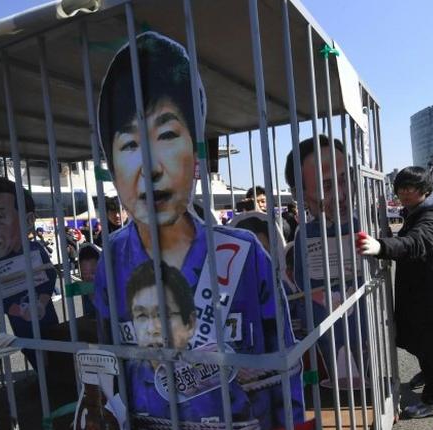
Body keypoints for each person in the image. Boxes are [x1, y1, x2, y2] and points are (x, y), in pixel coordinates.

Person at [92, 31, 303, 428]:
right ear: (111, 163)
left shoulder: (242, 253)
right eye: (129, 144)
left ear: (196, 149)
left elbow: (283, 358)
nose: (151, 166)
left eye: (167, 135)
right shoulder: (112, 261)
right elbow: (110, 365)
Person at [357, 166, 433, 430]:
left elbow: (417, 242)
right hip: (422, 300)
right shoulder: (417, 211)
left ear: (425, 190)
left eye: (412, 188)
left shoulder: (431, 216)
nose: (405, 193)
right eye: (401, 188)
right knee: (425, 354)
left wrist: (381, 246)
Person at [284, 135, 367, 389]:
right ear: (300, 194)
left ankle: (365, 382)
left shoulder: (360, 224)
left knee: (361, 340)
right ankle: (338, 384)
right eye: (326, 186)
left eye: (344, 180)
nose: (341, 195)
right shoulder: (305, 233)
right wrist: (323, 297)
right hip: (322, 307)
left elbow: (374, 266)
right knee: (333, 344)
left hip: (359, 301)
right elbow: (300, 276)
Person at [125, 260, 254, 423]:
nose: (152, 328)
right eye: (141, 316)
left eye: (164, 314)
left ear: (190, 323)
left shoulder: (217, 371)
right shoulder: (129, 375)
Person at [0, 177, 59, 367]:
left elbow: (50, 277)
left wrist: (42, 304)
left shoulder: (35, 250)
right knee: (35, 357)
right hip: (21, 327)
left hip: (47, 322)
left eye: (0, 216)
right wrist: (20, 311)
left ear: (28, 221)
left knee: (57, 355)